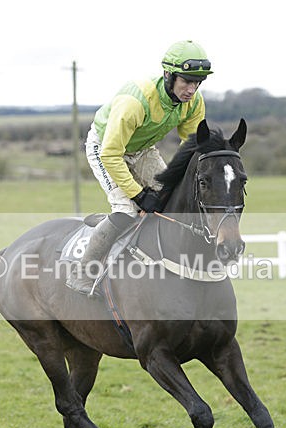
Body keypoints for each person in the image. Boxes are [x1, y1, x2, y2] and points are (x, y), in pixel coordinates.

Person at [67, 39, 213, 295]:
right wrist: (138, 194)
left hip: (143, 150)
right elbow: (111, 154)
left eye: (197, 82)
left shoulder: (194, 102)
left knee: (169, 198)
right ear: (169, 75)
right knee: (126, 209)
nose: (192, 89)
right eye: (186, 81)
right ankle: (83, 272)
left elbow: (190, 146)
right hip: (106, 148)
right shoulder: (135, 101)